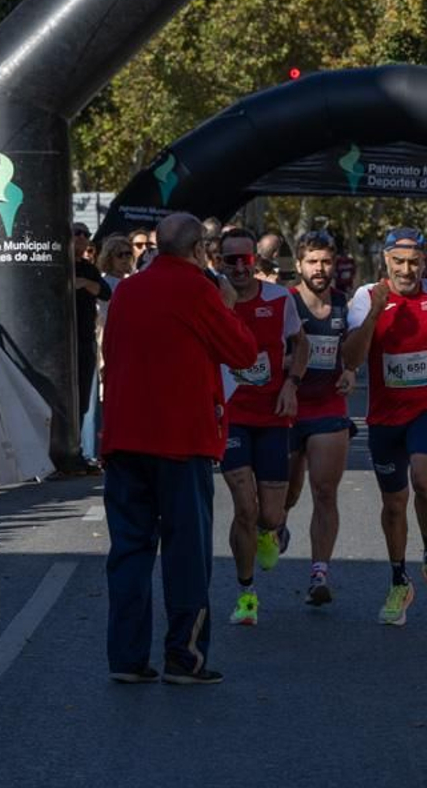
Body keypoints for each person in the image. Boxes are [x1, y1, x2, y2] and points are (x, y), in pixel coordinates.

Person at [100, 212, 258, 685]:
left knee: (129, 549)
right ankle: (184, 657)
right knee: (186, 551)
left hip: (125, 437)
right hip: (181, 439)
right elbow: (244, 353)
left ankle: (126, 657)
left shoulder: (127, 290)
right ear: (197, 251)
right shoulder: (199, 291)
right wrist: (227, 306)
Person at [339, 226, 427, 626]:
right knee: (393, 503)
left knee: (422, 476)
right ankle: (400, 579)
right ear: (386, 261)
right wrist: (375, 314)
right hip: (384, 416)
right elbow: (350, 358)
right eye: (398, 262)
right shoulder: (367, 297)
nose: (407, 269)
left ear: (424, 262)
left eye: (414, 262)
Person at [217, 227, 308, 627]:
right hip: (231, 415)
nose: (238, 267)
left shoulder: (279, 298)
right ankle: (246, 593)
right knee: (244, 506)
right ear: (218, 261)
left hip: (273, 414)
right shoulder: (212, 300)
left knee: (270, 513)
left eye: (245, 259)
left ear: (257, 261)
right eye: (229, 260)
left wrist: (292, 383)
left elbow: (300, 345)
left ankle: (271, 532)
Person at [284, 230, 356, 607]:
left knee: (325, 492)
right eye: (312, 261)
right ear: (299, 265)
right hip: (289, 408)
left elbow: (353, 353)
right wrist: (292, 364)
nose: (320, 268)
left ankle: (319, 573)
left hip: (329, 408)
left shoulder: (345, 305)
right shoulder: (286, 302)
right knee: (288, 494)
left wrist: (351, 372)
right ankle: (276, 524)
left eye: (326, 261)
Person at [71, 224, 112, 458]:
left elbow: (105, 292)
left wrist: (85, 284)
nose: (82, 238)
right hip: (61, 342)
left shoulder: (88, 268)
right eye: (77, 233)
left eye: (86, 234)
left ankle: (78, 451)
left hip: (85, 339)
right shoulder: (56, 266)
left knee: (84, 398)